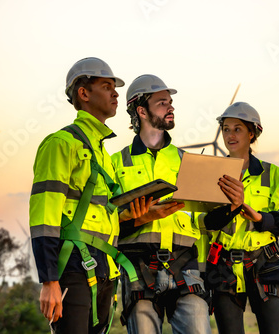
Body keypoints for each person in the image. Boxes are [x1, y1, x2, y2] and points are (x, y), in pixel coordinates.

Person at [29, 57, 151, 334]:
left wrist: (137, 216)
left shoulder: (103, 155)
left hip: (106, 267)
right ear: (83, 93)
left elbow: (102, 216)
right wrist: (49, 281)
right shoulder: (61, 144)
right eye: (107, 86)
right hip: (74, 266)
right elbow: (44, 215)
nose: (116, 93)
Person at [111, 74, 212, 334]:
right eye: (162, 103)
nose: (171, 107)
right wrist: (137, 218)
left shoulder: (187, 161)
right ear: (141, 110)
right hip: (138, 266)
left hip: (186, 265)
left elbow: (200, 218)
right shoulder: (114, 163)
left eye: (170, 102)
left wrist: (228, 207)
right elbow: (105, 223)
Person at [203, 102, 279, 334]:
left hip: (266, 265)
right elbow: (204, 222)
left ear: (252, 133)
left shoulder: (273, 174)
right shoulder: (211, 174)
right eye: (226, 128)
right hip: (223, 267)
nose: (230, 135)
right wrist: (230, 209)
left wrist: (261, 218)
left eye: (237, 129)